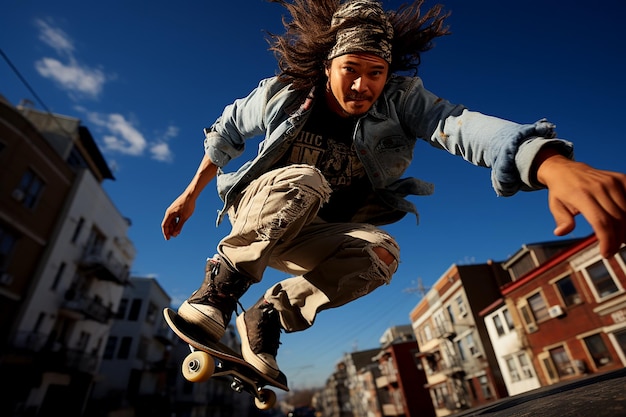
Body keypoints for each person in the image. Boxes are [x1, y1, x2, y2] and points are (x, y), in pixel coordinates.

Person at [162, 0, 626, 380]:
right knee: (305, 179)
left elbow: (459, 126)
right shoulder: (282, 94)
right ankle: (219, 291)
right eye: (351, 69)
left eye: (376, 72)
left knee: (381, 253)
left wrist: (547, 161)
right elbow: (225, 133)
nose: (363, 85)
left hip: (312, 236)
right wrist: (190, 194)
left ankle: (265, 314)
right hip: (262, 213)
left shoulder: (401, 101)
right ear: (328, 66)